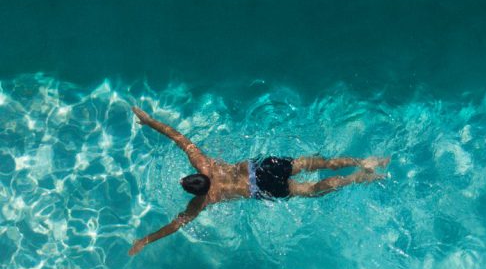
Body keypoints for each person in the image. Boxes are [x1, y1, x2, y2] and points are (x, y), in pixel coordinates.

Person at [128, 106, 390, 256]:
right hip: (263, 166)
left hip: (261, 188)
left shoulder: (204, 200)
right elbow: (179, 138)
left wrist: (146, 240)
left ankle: (358, 178)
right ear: (195, 175)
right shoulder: (204, 163)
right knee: (315, 162)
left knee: (311, 190)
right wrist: (149, 121)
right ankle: (366, 161)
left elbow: (176, 225)